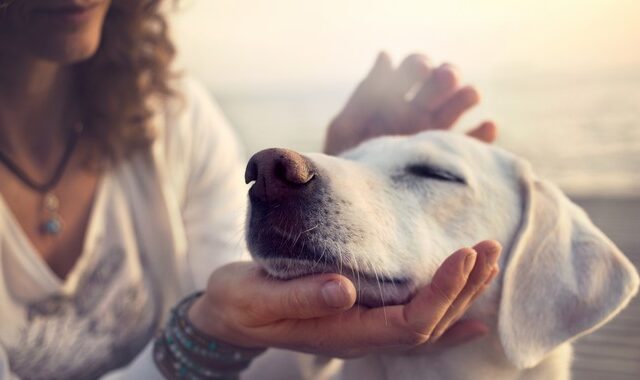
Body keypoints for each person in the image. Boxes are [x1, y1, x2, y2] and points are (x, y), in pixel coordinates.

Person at [0, 0, 500, 379]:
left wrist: (350, 193)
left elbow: (265, 363)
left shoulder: (171, 116)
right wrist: (199, 338)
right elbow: (226, 332)